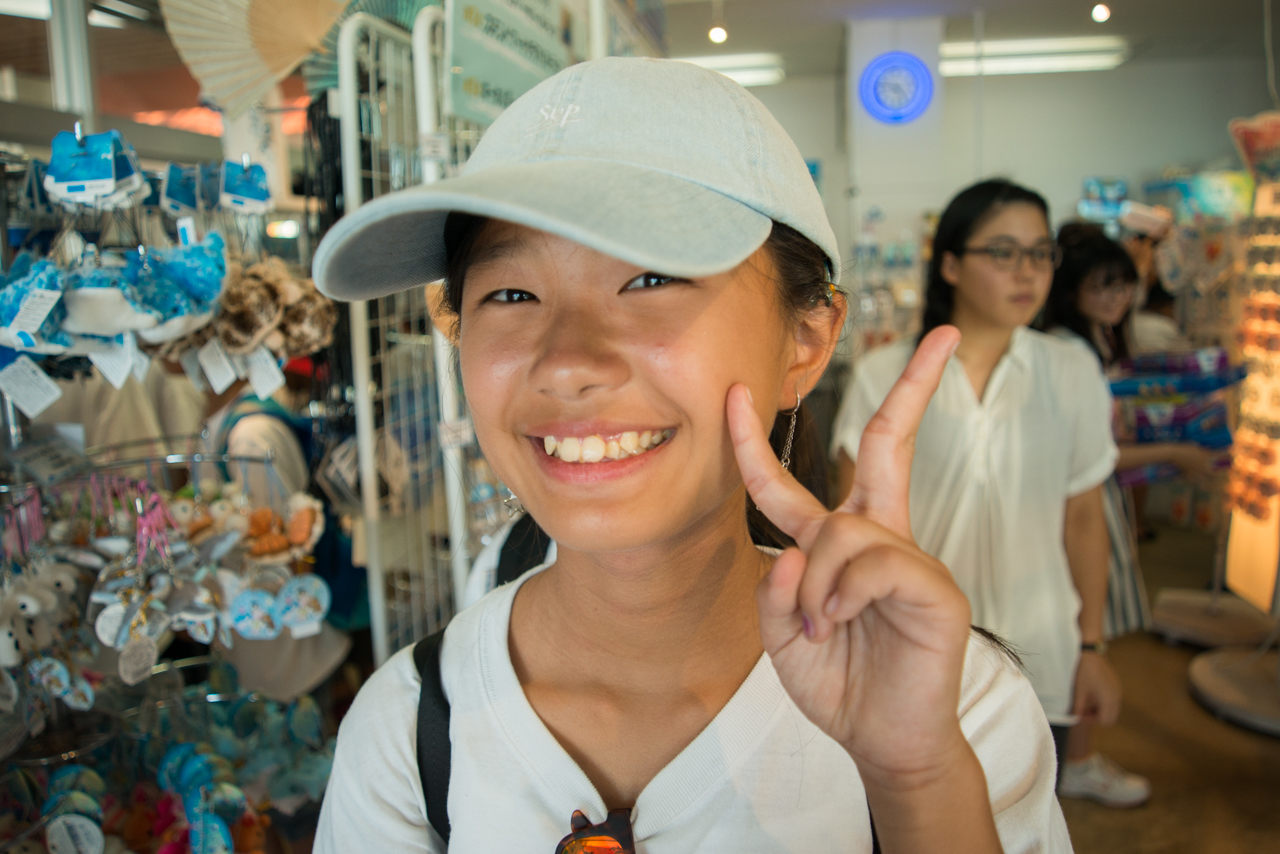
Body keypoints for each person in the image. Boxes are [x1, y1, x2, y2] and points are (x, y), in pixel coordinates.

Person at [311, 59, 1068, 852]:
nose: (567, 363)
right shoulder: (409, 730)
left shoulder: (953, 710)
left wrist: (916, 781)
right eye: (510, 294)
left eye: (651, 278)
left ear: (806, 339)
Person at [831, 180, 1124, 808]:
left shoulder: (1071, 370)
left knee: (1025, 821)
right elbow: (854, 523)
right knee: (918, 821)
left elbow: (1083, 518)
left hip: (1044, 650)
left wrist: (1093, 646)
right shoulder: (885, 375)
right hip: (916, 651)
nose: (1028, 272)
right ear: (950, 264)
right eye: (1003, 252)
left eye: (1040, 253)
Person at [1039, 224, 1229, 806]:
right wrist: (1176, 451)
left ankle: (1074, 756)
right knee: (1085, 635)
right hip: (1083, 507)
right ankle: (1076, 760)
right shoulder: (1070, 352)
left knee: (1086, 634)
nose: (1117, 296)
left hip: (1098, 502)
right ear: (1072, 290)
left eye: (1123, 284)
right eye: (1102, 286)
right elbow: (1091, 455)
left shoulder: (1096, 345)